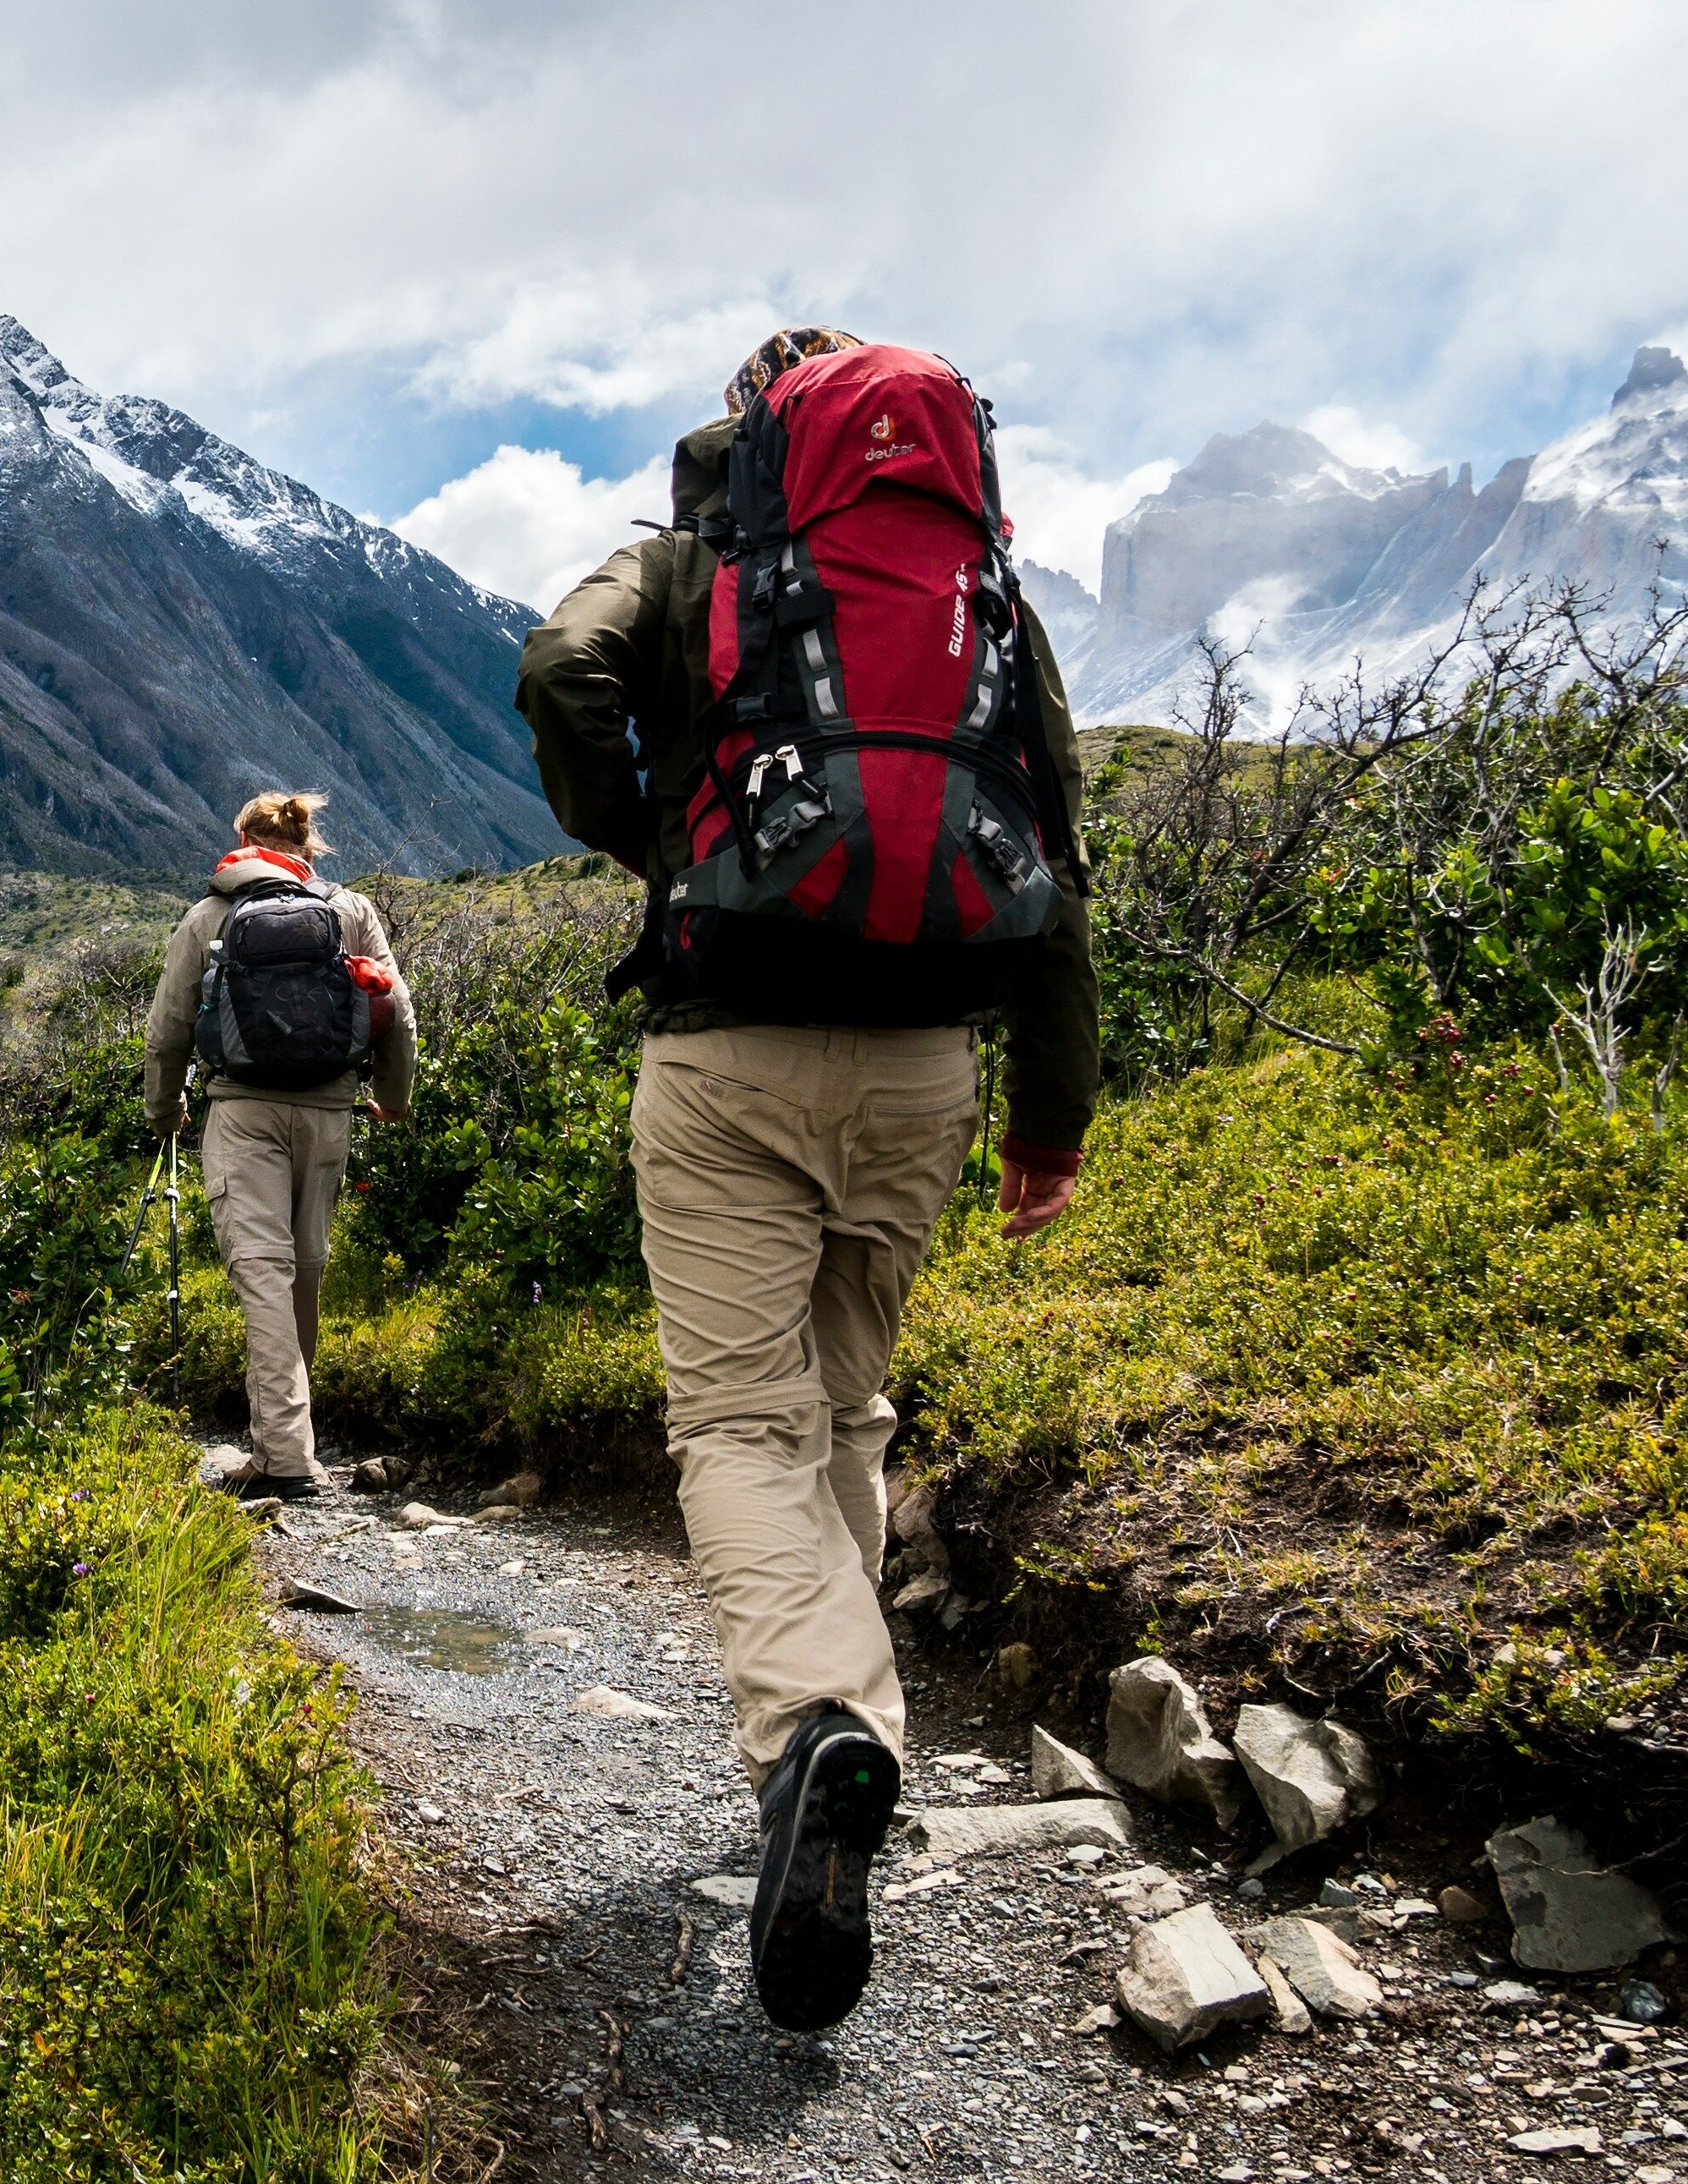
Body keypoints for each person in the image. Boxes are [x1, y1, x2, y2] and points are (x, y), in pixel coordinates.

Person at [513, 327, 1099, 2031]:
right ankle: (847, 1744)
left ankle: (813, 1736)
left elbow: (561, 668)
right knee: (846, 1408)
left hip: (729, 1048)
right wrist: (1047, 1121)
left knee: (736, 1422)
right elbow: (1053, 850)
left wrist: (644, 832)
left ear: (755, 428)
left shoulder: (698, 560)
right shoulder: (977, 595)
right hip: (925, 1065)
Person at [142, 791, 418, 1503]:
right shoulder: (349, 911)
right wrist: (392, 1097)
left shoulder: (209, 915)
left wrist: (167, 1110)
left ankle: (286, 1457)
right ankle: (287, 1440)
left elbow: (168, 1029)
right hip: (329, 1112)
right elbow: (400, 1012)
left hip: (243, 1114)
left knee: (262, 1272)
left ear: (242, 840)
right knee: (304, 1270)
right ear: (307, 845)